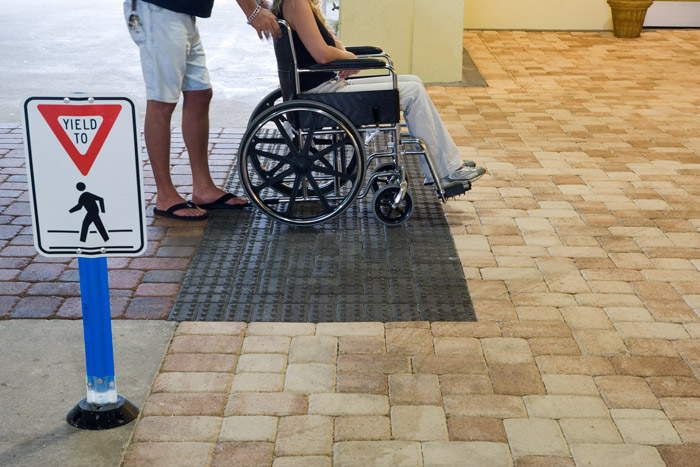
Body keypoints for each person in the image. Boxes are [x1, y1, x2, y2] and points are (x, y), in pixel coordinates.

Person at [272, 0, 485, 193]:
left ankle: (446, 164)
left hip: (327, 87)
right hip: (323, 95)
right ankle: (445, 172)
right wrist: (347, 57)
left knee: (413, 82)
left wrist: (342, 53)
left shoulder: (297, 3)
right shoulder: (296, 3)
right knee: (413, 93)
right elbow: (321, 54)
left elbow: (328, 47)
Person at [124, 0, 281, 221]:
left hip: (181, 13)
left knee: (200, 95)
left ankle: (203, 188)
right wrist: (253, 11)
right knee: (162, 102)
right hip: (158, 12)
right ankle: (165, 195)